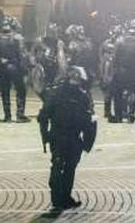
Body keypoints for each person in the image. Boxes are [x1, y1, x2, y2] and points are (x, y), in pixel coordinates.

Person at [38, 66, 96, 211]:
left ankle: (61, 197)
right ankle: (60, 197)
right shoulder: (81, 95)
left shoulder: (57, 92)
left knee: (62, 166)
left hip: (62, 136)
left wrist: (45, 136)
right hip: (68, 136)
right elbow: (90, 120)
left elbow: (44, 116)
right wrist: (87, 141)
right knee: (66, 167)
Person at [0, 17, 29, 122]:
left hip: (1, 67)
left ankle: (7, 116)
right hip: (14, 67)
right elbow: (22, 55)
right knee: (21, 90)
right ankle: (20, 114)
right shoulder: (17, 37)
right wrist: (25, 69)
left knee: (5, 91)